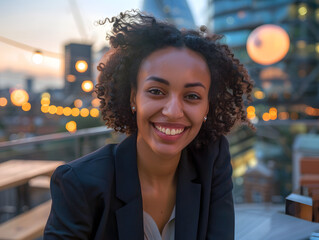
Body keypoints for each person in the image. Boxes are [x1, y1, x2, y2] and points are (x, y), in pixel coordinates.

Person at [44, 10, 254, 240]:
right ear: (133, 98)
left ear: (207, 107)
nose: (173, 111)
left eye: (192, 96)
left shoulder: (212, 159)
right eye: (156, 91)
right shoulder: (78, 183)